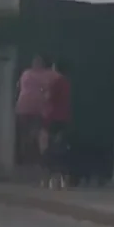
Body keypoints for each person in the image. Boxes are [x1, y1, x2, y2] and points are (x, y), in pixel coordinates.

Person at [41, 59, 71, 189]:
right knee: (61, 145)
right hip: (64, 117)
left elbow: (48, 97)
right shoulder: (67, 83)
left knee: (49, 147)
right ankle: (62, 178)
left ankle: (50, 177)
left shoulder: (55, 82)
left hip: (52, 117)